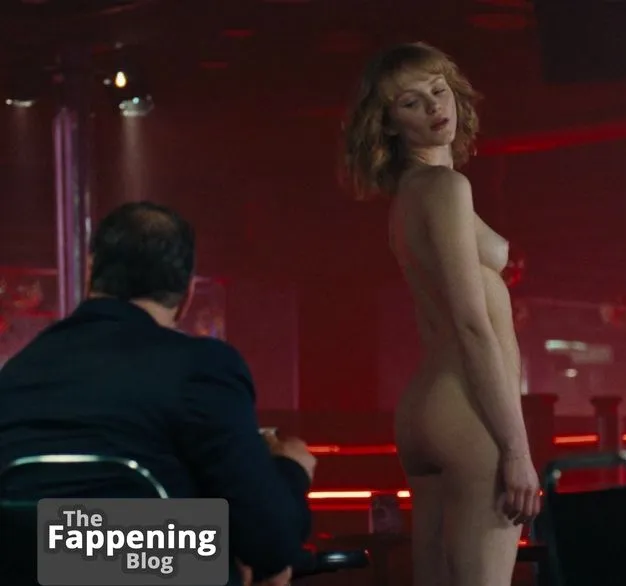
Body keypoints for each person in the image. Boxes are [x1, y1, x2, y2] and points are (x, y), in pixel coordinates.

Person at [0, 201, 315, 586]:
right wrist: (291, 470)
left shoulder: (15, 376)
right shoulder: (202, 368)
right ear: (187, 294)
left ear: (89, 273)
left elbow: (59, 544)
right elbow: (271, 542)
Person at [341, 42, 540, 586]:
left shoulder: (411, 195)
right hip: (468, 411)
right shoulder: (446, 188)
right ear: (388, 122)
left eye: (438, 90)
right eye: (412, 102)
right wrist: (516, 450)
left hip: (425, 412)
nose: (434, 107)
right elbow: (472, 325)